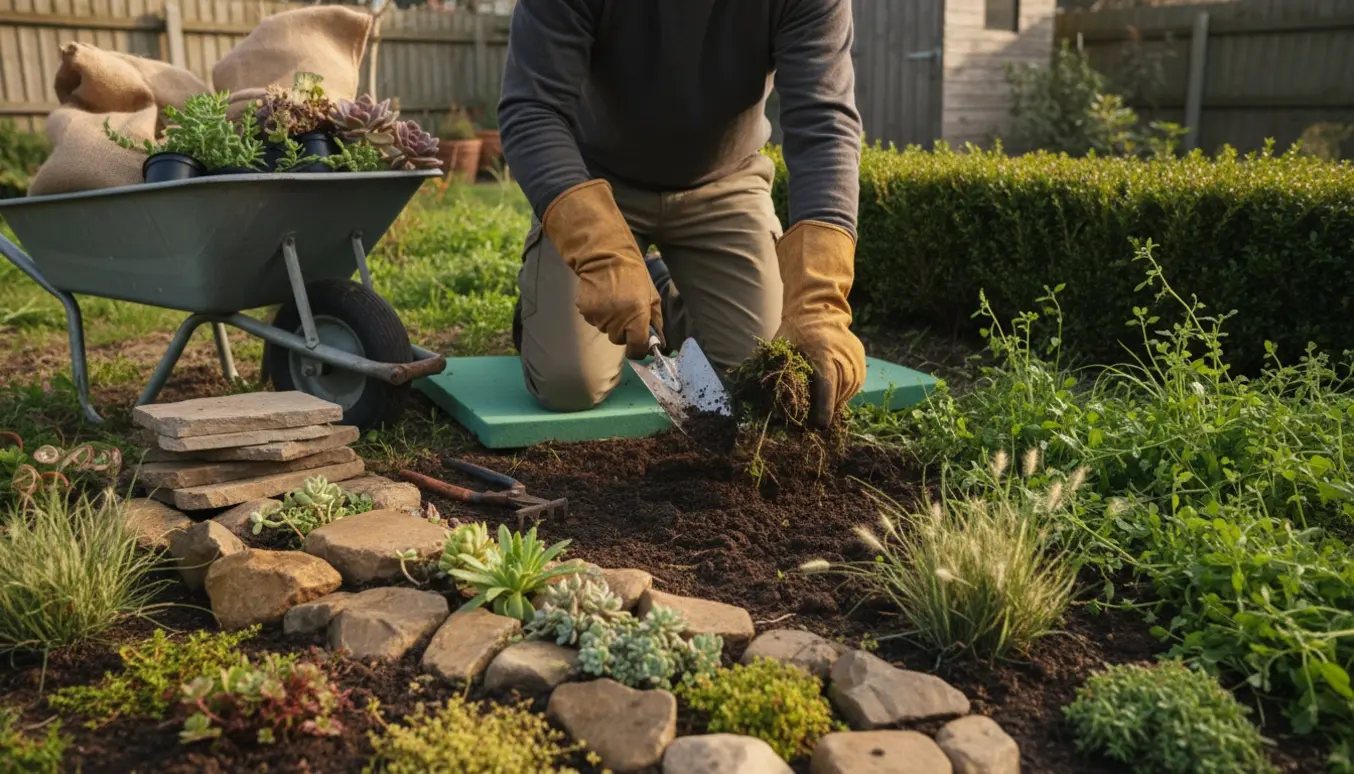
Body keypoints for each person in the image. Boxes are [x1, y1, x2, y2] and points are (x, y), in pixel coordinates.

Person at [499, 0, 866, 430]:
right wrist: (602, 255)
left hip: (724, 186)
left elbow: (824, 124)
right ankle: (551, 303)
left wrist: (819, 303)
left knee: (760, 375)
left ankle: (657, 289)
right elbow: (532, 110)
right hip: (597, 188)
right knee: (569, 384)